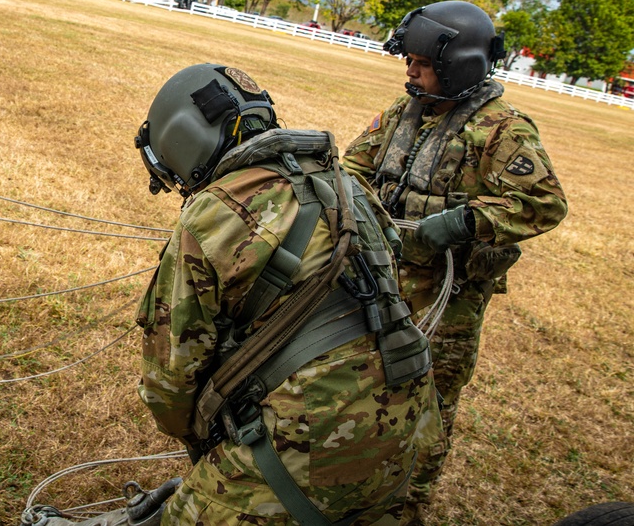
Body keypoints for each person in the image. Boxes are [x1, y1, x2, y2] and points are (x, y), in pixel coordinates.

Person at [133, 63, 437, 525]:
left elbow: (170, 383)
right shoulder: (350, 186)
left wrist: (204, 438)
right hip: (408, 441)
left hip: (307, 455)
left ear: (182, 143)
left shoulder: (214, 212)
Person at [341, 1, 568, 524]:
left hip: (447, 304)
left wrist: (460, 224)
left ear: (459, 66)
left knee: (427, 407)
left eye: (422, 63)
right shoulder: (404, 112)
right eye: (410, 59)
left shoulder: (501, 131)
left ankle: (406, 508)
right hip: (378, 279)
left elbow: (543, 203)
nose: (410, 70)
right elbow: (354, 166)